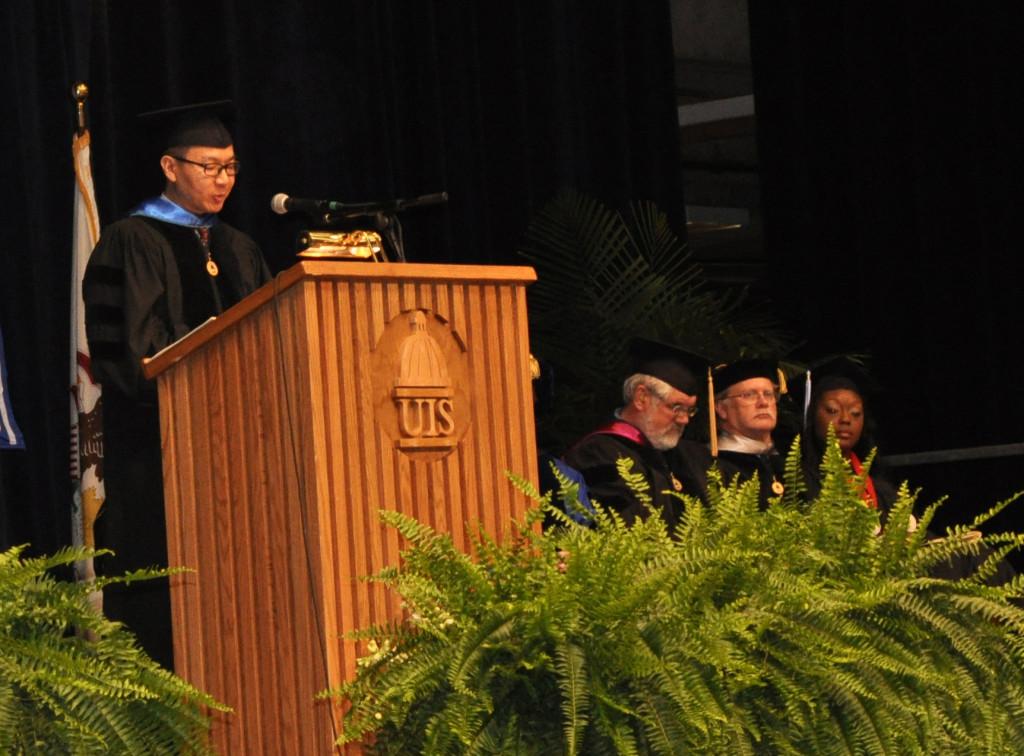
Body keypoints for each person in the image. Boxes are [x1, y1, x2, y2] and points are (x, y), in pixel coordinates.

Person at [83, 101, 271, 668]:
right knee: (163, 609)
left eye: (231, 168)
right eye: (210, 167)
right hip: (159, 459)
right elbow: (131, 357)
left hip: (242, 457)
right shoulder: (129, 241)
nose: (223, 181)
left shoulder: (240, 247)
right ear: (170, 167)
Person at [561, 339, 710, 529]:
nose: (684, 420)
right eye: (676, 407)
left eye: (690, 410)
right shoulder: (597, 453)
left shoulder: (683, 456)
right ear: (641, 398)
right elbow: (626, 531)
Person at [799, 358, 898, 514]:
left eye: (855, 413)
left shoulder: (880, 490)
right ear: (812, 416)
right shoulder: (796, 483)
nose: (845, 419)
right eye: (833, 410)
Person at [709, 359, 786, 508]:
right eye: (749, 395)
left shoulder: (792, 465)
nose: (763, 402)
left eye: (768, 394)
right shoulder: (712, 468)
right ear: (722, 409)